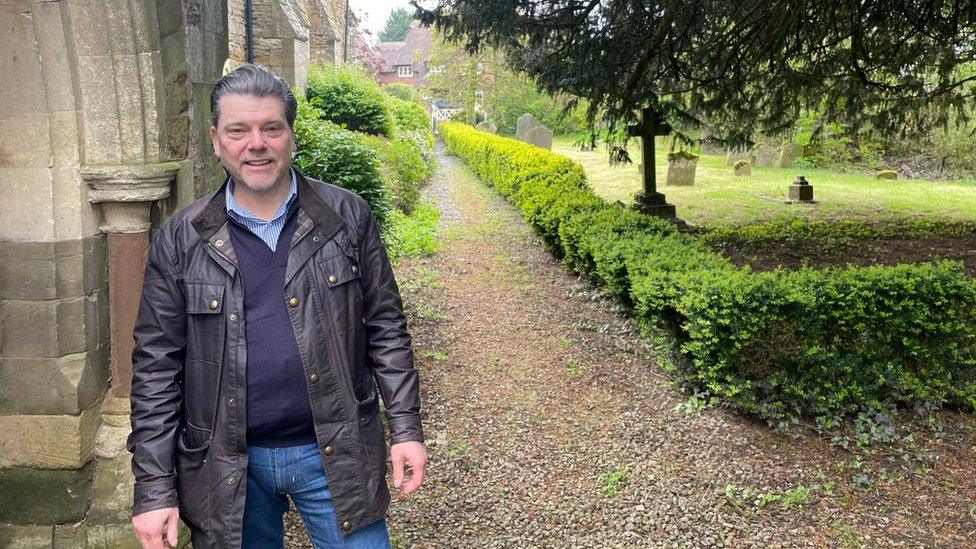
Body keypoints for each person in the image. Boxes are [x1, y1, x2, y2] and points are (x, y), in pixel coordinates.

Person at [126, 63, 427, 549]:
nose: (256, 144)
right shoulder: (180, 239)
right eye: (238, 130)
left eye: (271, 128)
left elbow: (386, 327)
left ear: (291, 133)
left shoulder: (346, 216)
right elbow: (156, 368)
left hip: (336, 450)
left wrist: (406, 429)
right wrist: (154, 487)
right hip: (226, 462)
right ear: (216, 139)